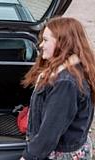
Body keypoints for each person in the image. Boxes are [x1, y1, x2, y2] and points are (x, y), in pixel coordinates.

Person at [20, 16, 95, 160]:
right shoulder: (72, 71)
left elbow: (49, 133)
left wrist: (28, 157)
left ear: (63, 43)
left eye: (46, 40)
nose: (41, 45)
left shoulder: (65, 83)